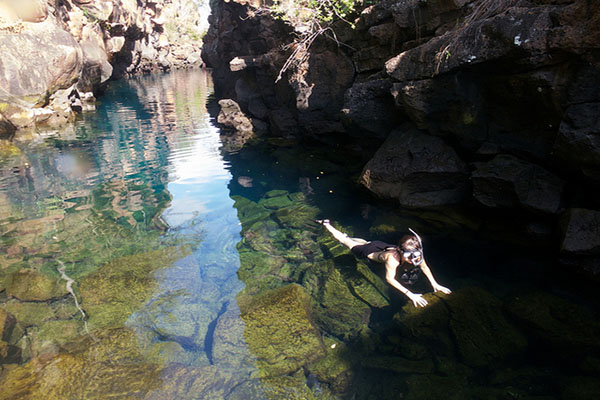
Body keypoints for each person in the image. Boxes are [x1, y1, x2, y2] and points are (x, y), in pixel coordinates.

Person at [316, 219, 451, 307]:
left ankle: (355, 238)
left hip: (382, 245)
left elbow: (424, 267)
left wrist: (435, 284)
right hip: (368, 251)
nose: (412, 260)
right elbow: (389, 279)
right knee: (347, 242)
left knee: (367, 242)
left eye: (415, 255)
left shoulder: (416, 254)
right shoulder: (392, 259)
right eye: (408, 256)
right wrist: (410, 294)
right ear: (400, 251)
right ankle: (327, 224)